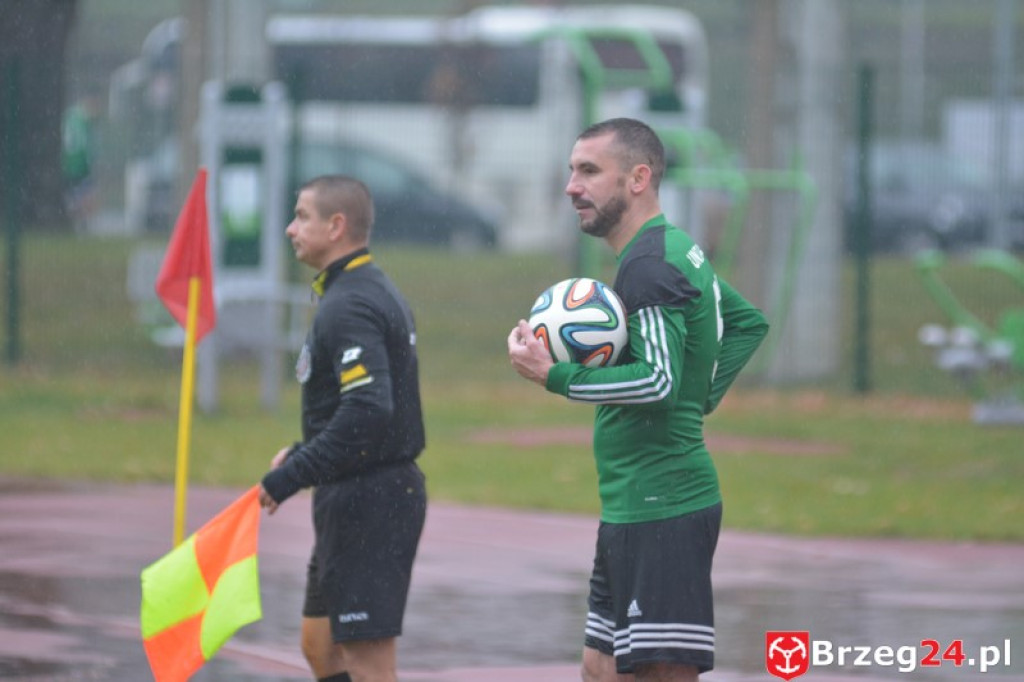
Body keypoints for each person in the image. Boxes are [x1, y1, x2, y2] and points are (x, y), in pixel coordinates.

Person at [507, 118, 768, 682]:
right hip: (631, 506)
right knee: (601, 669)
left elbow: (656, 382)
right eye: (572, 170)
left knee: (659, 674)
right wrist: (698, 399)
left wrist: (555, 375)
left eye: (589, 171)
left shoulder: (649, 266)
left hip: (664, 508)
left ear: (638, 178)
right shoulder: (674, 248)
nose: (572, 186)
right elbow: (746, 324)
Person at [259, 175, 427, 682]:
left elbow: (369, 408)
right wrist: (304, 451)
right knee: (320, 646)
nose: (291, 228)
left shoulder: (350, 301)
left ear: (337, 226)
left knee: (367, 661)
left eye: (302, 216)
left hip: (372, 499)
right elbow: (358, 409)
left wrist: (294, 474)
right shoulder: (352, 289)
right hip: (350, 490)